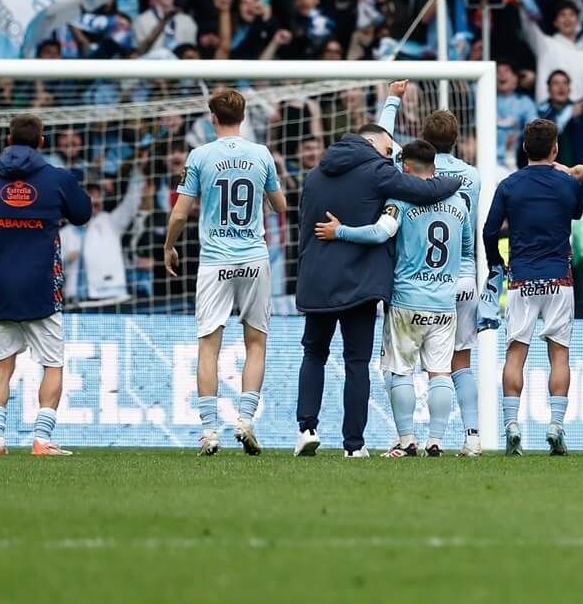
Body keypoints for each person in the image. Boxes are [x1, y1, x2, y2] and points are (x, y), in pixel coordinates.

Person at [293, 121, 462, 457]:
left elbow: (303, 227)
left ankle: (306, 429)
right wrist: (458, 178)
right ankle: (354, 446)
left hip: (318, 280)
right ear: (371, 144)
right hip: (361, 283)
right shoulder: (377, 172)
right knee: (357, 362)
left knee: (314, 354)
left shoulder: (313, 175)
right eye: (388, 151)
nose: (391, 157)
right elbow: (426, 190)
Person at [162, 88, 287, 456]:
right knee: (256, 342)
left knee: (208, 347)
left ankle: (209, 430)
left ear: (212, 118)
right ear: (244, 117)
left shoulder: (200, 155)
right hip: (253, 259)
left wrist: (170, 246)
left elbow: (181, 213)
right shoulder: (261, 154)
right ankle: (246, 420)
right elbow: (279, 206)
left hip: (215, 261)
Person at [0, 115, 92, 456]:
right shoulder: (56, 179)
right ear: (42, 142)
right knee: (53, 364)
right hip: (40, 287)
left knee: (3, 364)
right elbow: (83, 213)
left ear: (8, 140)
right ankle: (41, 439)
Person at [378, 84, 484, 454]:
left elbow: (383, 142)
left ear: (423, 140)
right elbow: (468, 232)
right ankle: (470, 436)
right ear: (456, 141)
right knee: (458, 363)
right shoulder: (472, 176)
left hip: (415, 279)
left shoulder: (407, 177)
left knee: (402, 365)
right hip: (461, 274)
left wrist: (393, 99)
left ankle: (407, 438)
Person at [481, 118, 583, 456]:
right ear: (555, 148)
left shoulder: (509, 185)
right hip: (558, 277)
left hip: (522, 278)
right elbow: (577, 213)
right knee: (559, 354)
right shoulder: (568, 185)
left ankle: (512, 426)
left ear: (524, 148)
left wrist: (496, 262)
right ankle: (555, 426)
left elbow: (489, 230)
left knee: (515, 353)